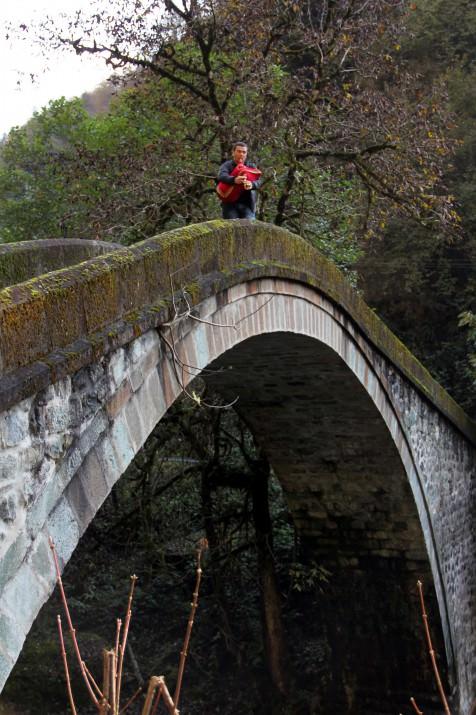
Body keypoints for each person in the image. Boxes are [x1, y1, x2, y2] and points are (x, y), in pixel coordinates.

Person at [217, 142, 262, 219]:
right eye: (239, 151)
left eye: (244, 152)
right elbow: (221, 176)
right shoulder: (227, 165)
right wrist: (234, 180)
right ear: (233, 152)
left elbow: (259, 181)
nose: (241, 154)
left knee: (250, 227)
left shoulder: (251, 166)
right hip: (229, 204)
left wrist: (251, 184)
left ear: (246, 154)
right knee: (232, 227)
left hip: (247, 204)